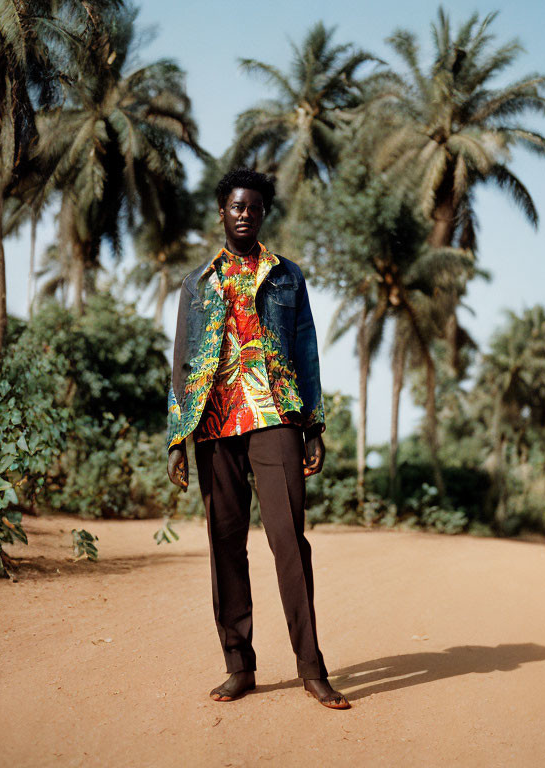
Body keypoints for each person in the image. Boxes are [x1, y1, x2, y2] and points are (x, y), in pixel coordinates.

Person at [165, 168, 350, 710]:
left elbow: (307, 352)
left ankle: (311, 669)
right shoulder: (197, 283)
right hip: (215, 424)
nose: (244, 213)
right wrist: (178, 437)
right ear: (222, 212)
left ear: (262, 213)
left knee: (289, 541)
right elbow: (180, 362)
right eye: (235, 206)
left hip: (275, 418)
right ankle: (238, 666)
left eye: (253, 207)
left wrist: (313, 425)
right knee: (226, 546)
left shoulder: (289, 277)